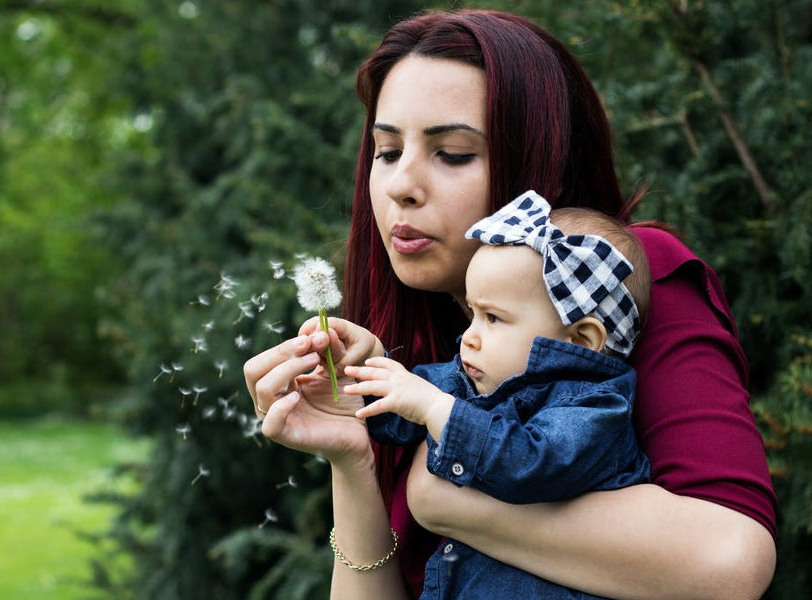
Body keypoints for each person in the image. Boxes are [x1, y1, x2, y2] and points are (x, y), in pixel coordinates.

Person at [244, 9, 776, 600]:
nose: (401, 185)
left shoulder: (621, 279)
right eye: (388, 150)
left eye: (452, 153)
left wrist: (439, 492)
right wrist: (351, 457)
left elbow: (731, 561)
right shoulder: (425, 334)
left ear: (538, 155)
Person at [342, 191, 653, 598]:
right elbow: (401, 408)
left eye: (493, 318)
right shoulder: (472, 379)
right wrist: (354, 378)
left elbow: (532, 463)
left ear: (581, 339)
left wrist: (436, 408)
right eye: (473, 315)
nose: (469, 338)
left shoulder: (596, 406)